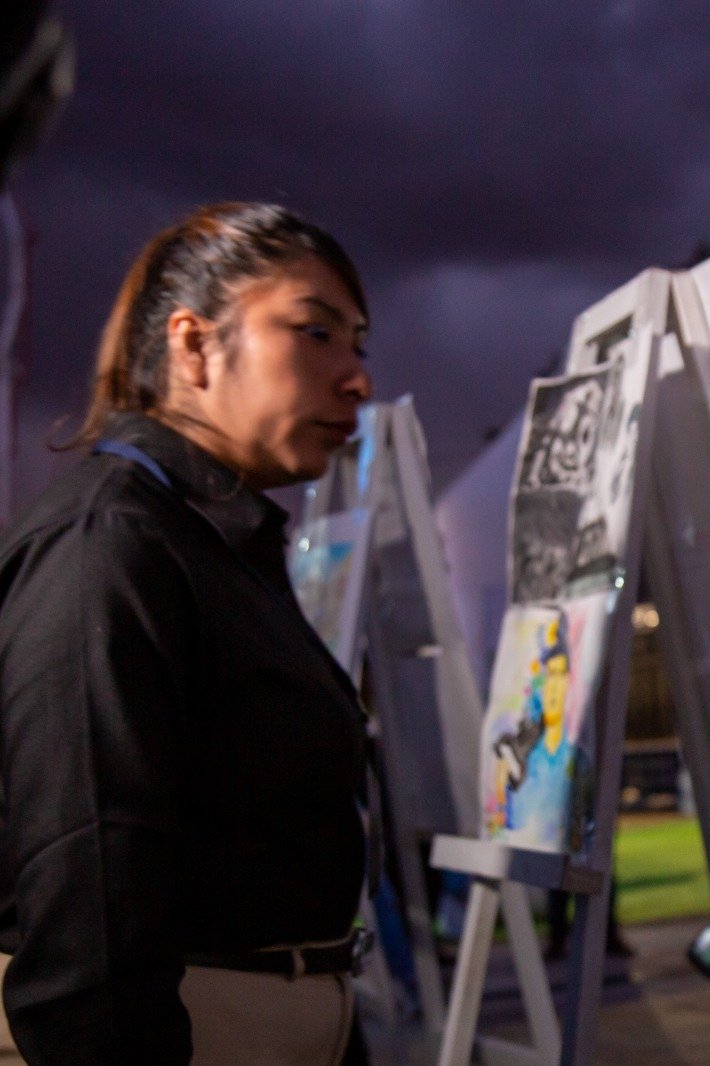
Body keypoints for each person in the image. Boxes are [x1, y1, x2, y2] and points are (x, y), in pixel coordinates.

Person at [0, 202, 374, 1063]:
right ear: (195, 345)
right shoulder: (111, 546)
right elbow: (88, 928)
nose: (357, 379)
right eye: (317, 332)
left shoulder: (213, 545)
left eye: (360, 343)